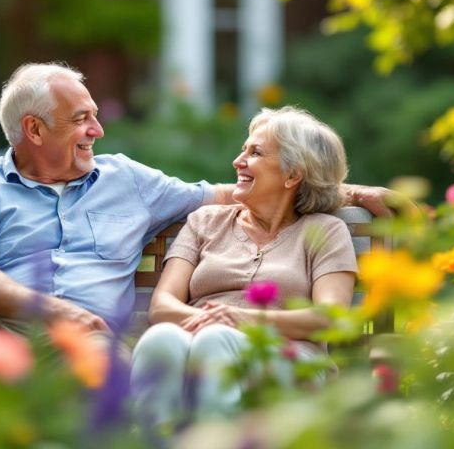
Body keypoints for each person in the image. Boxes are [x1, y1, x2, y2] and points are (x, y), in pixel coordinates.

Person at [0, 62, 398, 341]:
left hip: (87, 339)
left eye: (95, 116)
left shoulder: (127, 179)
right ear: (34, 130)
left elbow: (238, 191)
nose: (98, 130)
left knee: (92, 359)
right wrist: (55, 309)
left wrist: (349, 193)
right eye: (81, 120)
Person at [130, 107, 357, 425]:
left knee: (215, 341)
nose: (238, 162)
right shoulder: (204, 221)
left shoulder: (325, 231)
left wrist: (240, 320)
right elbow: (163, 306)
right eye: (243, 150)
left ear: (292, 175)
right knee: (160, 338)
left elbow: (329, 318)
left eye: (255, 153)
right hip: (199, 342)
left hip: (289, 361)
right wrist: (213, 321)